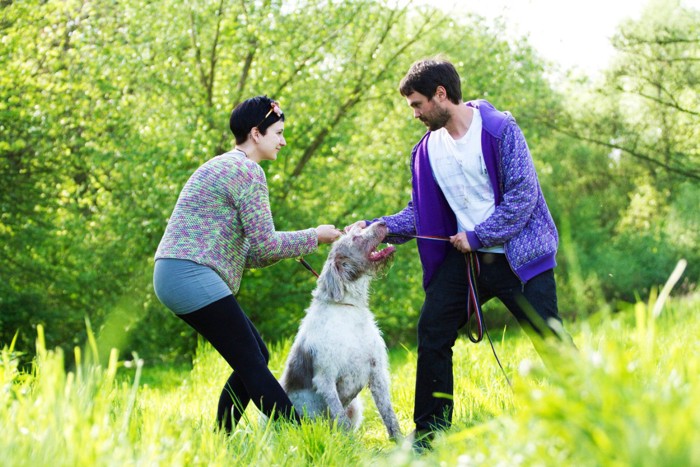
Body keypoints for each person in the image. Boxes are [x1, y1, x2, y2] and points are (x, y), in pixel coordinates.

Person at [346, 58, 572, 451]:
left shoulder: (500, 130)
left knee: (548, 336)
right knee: (432, 331)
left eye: (417, 104)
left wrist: (479, 234)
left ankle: (590, 410)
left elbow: (523, 196)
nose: (415, 114)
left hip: (518, 258)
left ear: (441, 94)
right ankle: (430, 437)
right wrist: (374, 228)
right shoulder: (427, 151)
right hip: (465, 262)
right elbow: (421, 212)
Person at [153, 95, 341, 433]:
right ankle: (307, 440)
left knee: (254, 356)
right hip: (189, 272)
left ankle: (221, 439)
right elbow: (267, 244)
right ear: (256, 133)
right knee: (253, 365)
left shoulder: (224, 164)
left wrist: (296, 246)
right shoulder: (246, 170)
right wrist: (316, 235)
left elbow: (253, 253)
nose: (283, 141)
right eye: (278, 133)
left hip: (178, 273)